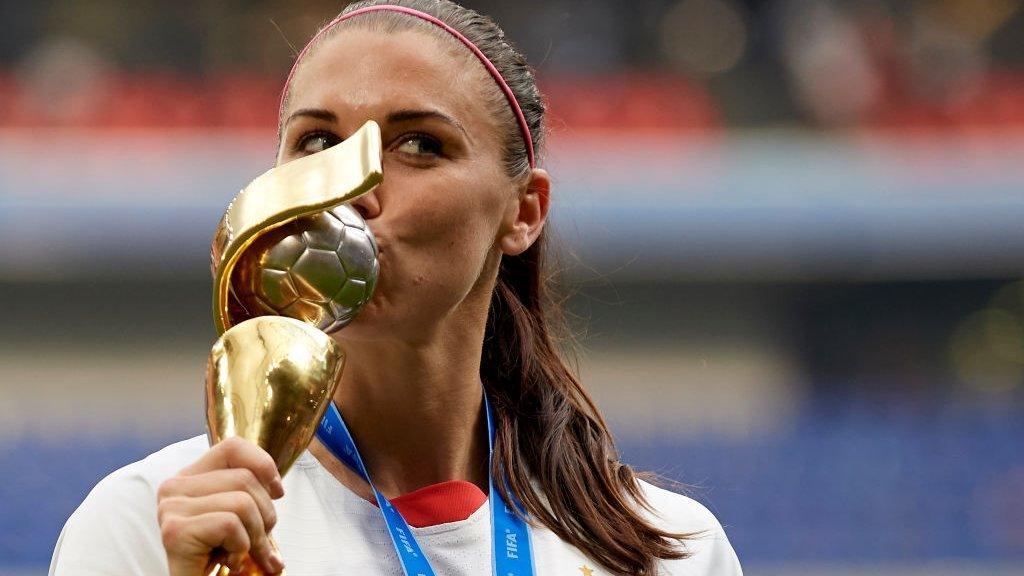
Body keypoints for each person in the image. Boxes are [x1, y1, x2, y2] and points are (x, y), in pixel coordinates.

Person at [49, 1, 743, 575]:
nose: (351, 190)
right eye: (319, 145)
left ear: (523, 211)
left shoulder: (666, 551)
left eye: (418, 145)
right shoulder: (154, 524)